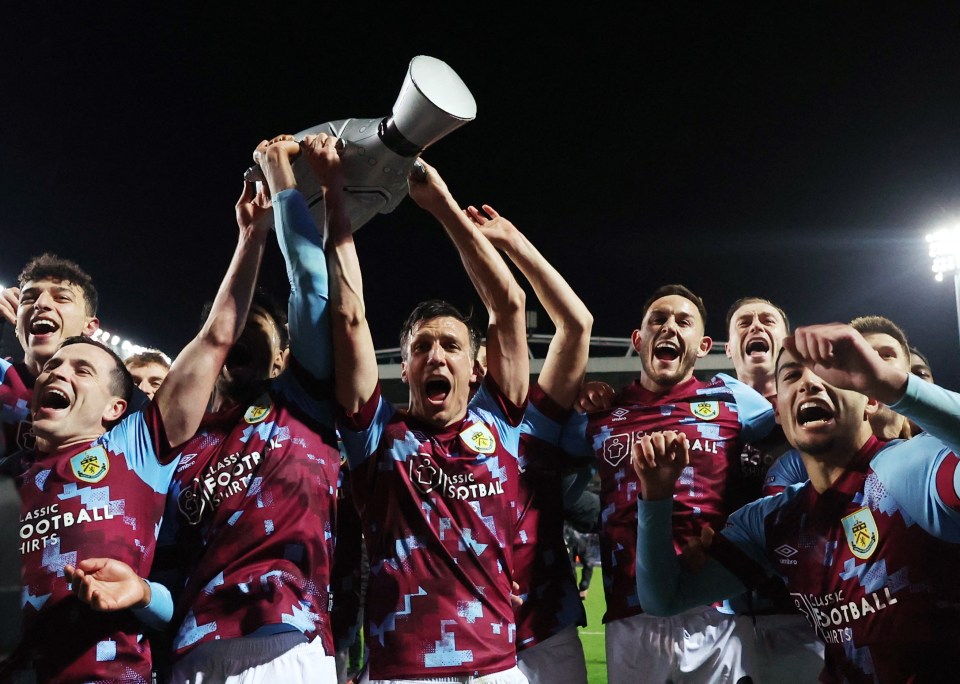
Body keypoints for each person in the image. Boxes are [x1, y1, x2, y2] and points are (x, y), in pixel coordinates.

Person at [66, 133, 345, 682]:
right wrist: (142, 592)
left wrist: (283, 184)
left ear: (284, 355)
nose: (239, 345)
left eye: (258, 336)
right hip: (195, 652)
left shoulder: (305, 401)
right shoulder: (173, 446)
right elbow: (169, 576)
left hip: (292, 641)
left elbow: (312, 290)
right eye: (232, 337)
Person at [0, 193, 270, 681]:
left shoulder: (136, 449)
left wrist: (252, 238)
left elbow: (214, 339)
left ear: (115, 408)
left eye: (83, 368)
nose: (58, 372)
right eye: (53, 367)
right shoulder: (7, 479)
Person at [633, 322, 960, 682]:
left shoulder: (910, 469)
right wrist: (657, 497)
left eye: (829, 372)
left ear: (869, 397)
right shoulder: (772, 523)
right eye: (791, 375)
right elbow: (663, 599)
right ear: (778, 411)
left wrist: (895, 384)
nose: (810, 382)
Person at [329, 148, 530, 681]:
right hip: (401, 669)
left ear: (475, 368)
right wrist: (337, 204)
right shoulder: (376, 435)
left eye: (450, 346)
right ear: (406, 367)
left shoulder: (500, 424)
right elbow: (350, 318)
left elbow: (508, 306)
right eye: (421, 347)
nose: (436, 356)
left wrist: (441, 205)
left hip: (495, 668)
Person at [566, 284, 775, 684]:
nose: (669, 327)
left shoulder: (735, 401)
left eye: (684, 321)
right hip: (630, 612)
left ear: (702, 345)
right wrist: (583, 396)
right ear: (638, 339)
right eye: (658, 320)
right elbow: (551, 477)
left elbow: (780, 454)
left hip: (717, 608)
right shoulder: (601, 413)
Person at [465, 206, 593, 684]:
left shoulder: (535, 419)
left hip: (545, 631)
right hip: (463, 633)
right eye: (480, 359)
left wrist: (512, 241)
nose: (488, 367)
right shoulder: (415, 438)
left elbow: (576, 325)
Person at [723, 296, 825, 681]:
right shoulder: (702, 421)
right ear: (728, 347)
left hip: (808, 617)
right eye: (743, 322)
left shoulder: (819, 410)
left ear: (786, 342)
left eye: (767, 320)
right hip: (723, 618)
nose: (755, 326)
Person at [1, 254, 100, 457]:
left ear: (89, 326)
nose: (41, 303)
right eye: (28, 298)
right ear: (16, 321)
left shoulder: (109, 401)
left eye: (61, 298)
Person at [849, 315, 912, 440]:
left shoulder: (944, 448)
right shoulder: (806, 456)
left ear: (909, 373)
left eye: (887, 355)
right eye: (860, 356)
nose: (873, 363)